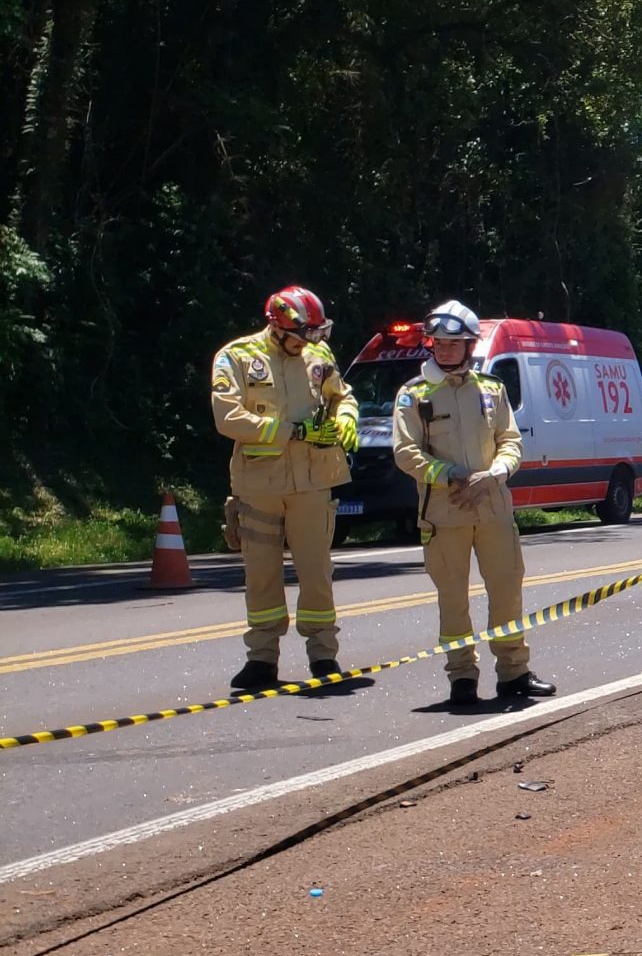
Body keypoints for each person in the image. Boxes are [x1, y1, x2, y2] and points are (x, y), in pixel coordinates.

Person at [391, 300, 555, 707]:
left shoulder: (491, 389)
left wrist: (496, 474)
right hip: (445, 513)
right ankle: (462, 677)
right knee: (453, 598)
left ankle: (513, 673)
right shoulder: (413, 395)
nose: (444, 350)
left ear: (469, 346)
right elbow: (404, 452)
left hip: (493, 507)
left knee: (506, 590)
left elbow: (510, 441)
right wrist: (448, 475)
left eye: (453, 343)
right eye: (438, 343)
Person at [210, 286, 357, 690]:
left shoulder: (318, 354)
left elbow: (343, 397)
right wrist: (291, 432)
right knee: (261, 574)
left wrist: (346, 419)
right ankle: (262, 659)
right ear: (276, 326)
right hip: (259, 483)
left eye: (312, 335)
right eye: (299, 336)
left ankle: (324, 655)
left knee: (316, 571)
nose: (305, 344)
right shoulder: (237, 357)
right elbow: (227, 417)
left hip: (313, 481)